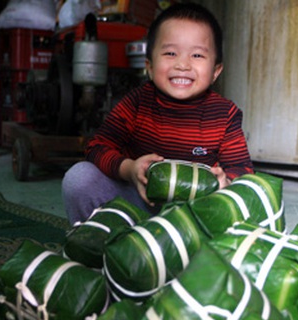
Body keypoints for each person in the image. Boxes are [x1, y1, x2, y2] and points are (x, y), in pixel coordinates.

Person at [62, 2, 254, 224]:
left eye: (197, 56)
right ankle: (96, 245)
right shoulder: (136, 104)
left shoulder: (225, 115)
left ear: (215, 71)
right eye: (171, 53)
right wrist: (130, 169)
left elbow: (243, 169)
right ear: (150, 66)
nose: (182, 64)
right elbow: (96, 148)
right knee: (79, 178)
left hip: (195, 216)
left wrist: (226, 182)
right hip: (138, 206)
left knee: (247, 199)